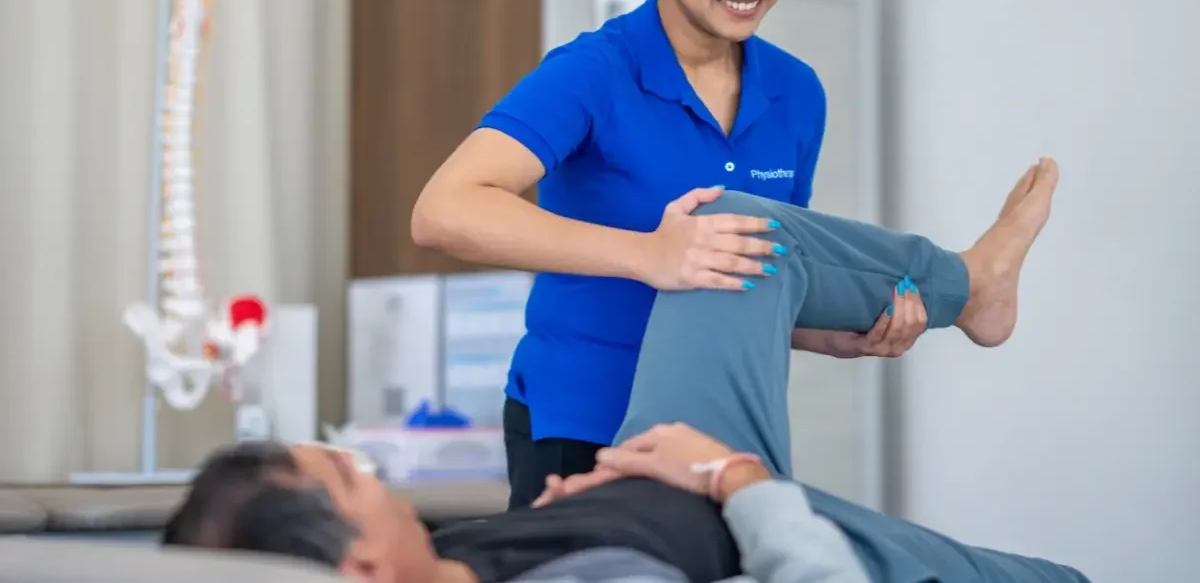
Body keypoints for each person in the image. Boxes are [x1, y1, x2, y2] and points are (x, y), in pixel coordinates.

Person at [164, 160, 1088, 582]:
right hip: (721, 489)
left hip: (654, 463)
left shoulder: (434, 561)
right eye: (348, 477)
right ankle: (973, 286)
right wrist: (731, 479)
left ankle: (972, 288)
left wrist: (575, 511)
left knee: (730, 233)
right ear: (359, 567)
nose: (370, 471)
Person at [411, 0, 927, 510]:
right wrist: (648, 254)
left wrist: (830, 335)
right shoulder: (595, 71)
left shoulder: (796, 92)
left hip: (725, 433)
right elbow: (444, 210)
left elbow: (758, 270)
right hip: (588, 427)